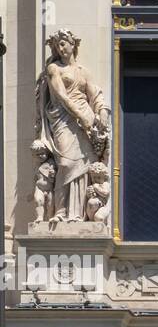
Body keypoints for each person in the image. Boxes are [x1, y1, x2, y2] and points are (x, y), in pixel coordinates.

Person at [35, 29, 110, 223]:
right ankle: (61, 212)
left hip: (84, 120)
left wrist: (101, 111)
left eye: (64, 43)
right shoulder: (54, 69)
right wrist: (82, 116)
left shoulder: (83, 72)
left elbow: (95, 96)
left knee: (85, 164)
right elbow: (62, 96)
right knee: (66, 164)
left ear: (72, 44)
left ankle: (77, 215)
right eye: (57, 45)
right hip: (63, 119)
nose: (60, 48)